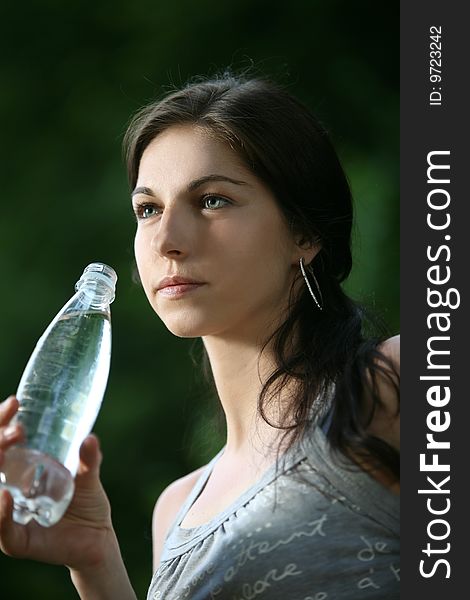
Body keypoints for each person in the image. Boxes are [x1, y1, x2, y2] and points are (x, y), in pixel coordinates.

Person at [0, 72, 399, 599]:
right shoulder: (177, 508)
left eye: (212, 200)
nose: (167, 240)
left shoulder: (391, 387)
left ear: (304, 232)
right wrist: (95, 563)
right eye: (149, 209)